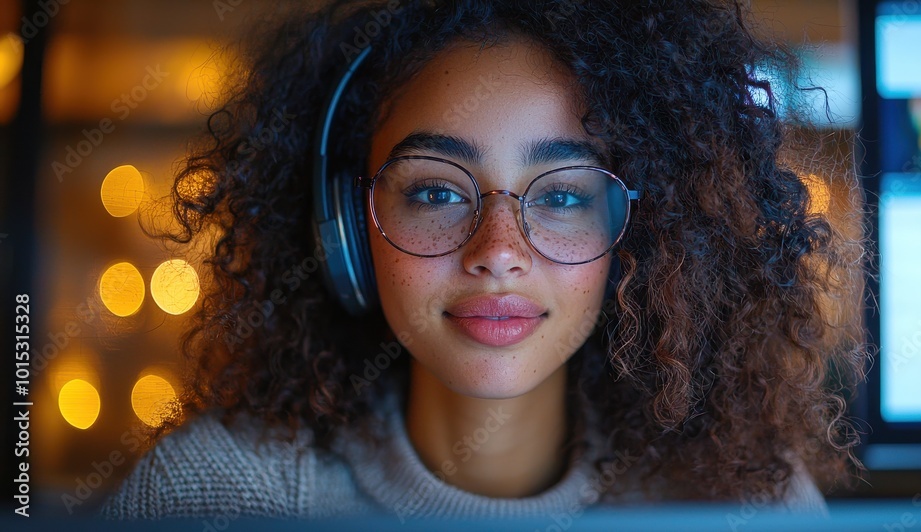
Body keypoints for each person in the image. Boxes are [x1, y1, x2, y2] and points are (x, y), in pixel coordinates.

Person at [100, 0, 865, 521]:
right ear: (343, 227)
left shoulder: (736, 502)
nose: (498, 254)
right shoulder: (211, 496)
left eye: (562, 196)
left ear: (640, 236)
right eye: (435, 192)